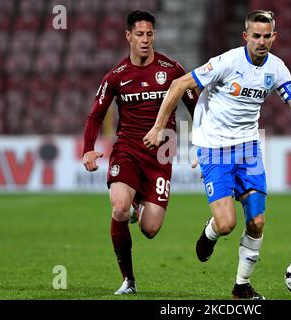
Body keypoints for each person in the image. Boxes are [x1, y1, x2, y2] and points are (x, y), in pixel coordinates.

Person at [143, 10, 291, 299]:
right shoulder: (227, 62)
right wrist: (160, 126)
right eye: (256, 36)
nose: (261, 42)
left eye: (267, 36)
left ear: (274, 37)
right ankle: (210, 233)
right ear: (245, 36)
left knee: (257, 222)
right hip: (213, 148)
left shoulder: (277, 67)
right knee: (226, 224)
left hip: (248, 147)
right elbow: (178, 84)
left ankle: (241, 286)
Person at [82, 10, 197, 295]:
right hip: (128, 149)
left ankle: (138, 206)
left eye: (150, 34)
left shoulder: (173, 70)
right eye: (139, 34)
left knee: (150, 229)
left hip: (162, 153)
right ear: (128, 36)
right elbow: (95, 116)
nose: (145, 40)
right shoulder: (116, 76)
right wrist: (88, 149)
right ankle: (129, 281)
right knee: (118, 208)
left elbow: (198, 108)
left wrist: (203, 144)